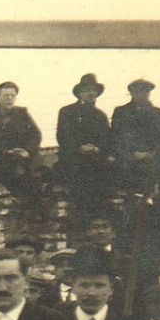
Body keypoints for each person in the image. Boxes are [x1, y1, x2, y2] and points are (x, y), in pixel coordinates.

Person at [57, 73, 113, 219]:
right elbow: (63, 136)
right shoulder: (67, 112)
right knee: (80, 188)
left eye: (94, 90)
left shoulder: (100, 115)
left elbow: (107, 139)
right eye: (87, 90)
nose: (91, 93)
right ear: (80, 93)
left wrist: (97, 149)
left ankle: (97, 222)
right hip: (74, 160)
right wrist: (78, 148)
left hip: (96, 161)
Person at [0, 81, 42, 198]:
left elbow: (35, 135)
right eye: (6, 96)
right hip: (3, 158)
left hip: (25, 157)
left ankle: (32, 211)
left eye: (13, 95)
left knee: (37, 174)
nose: (9, 99)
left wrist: (28, 151)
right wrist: (6, 151)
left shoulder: (22, 113)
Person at [112, 78, 160, 195]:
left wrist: (151, 153)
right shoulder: (121, 112)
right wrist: (132, 154)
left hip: (150, 160)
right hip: (128, 160)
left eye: (147, 92)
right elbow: (116, 138)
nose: (144, 95)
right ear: (132, 93)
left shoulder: (156, 112)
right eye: (140, 91)